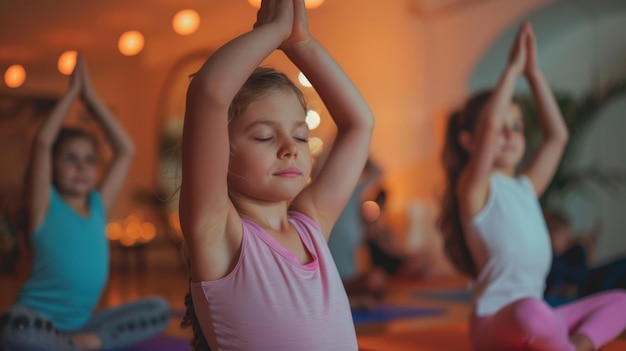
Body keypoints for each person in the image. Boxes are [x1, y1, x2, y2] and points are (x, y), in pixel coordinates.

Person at [178, 0, 374, 350]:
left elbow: (360, 123)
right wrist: (274, 32)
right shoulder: (219, 233)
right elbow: (208, 92)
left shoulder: (311, 225)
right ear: (220, 150)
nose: (291, 148)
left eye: (300, 136)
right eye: (265, 136)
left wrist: (302, 44)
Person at [439, 22, 626, 351]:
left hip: (541, 317)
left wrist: (534, 74)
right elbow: (490, 126)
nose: (509, 134)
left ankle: (576, 345)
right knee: (531, 312)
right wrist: (512, 69)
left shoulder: (526, 188)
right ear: (470, 141)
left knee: (620, 302)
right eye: (501, 129)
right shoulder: (474, 190)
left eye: (518, 126)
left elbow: (558, 137)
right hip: (496, 323)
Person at [0, 54, 170, 351]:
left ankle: (79, 343)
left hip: (83, 324)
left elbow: (126, 149)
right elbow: (42, 143)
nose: (81, 167)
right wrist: (71, 96)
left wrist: (90, 98)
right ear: (51, 166)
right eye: (70, 158)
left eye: (89, 160)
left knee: (157, 309)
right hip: (37, 321)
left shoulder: (97, 205)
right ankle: (73, 345)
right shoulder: (44, 204)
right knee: (14, 325)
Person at [544, 209, 626, 300]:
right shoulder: (552, 260)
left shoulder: (573, 252)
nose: (568, 239)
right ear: (551, 234)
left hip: (589, 286)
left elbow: (586, 272)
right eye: (564, 234)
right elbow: (582, 277)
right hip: (587, 288)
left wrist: (588, 245)